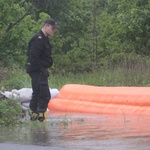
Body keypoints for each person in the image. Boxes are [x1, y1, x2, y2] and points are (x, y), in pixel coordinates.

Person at [26, 18, 59, 122]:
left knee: (37, 93)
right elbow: (33, 58)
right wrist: (41, 70)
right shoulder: (38, 39)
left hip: (40, 70)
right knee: (44, 95)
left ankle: (34, 118)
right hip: (37, 70)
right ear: (46, 26)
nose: (54, 31)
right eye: (53, 28)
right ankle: (40, 119)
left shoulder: (45, 39)